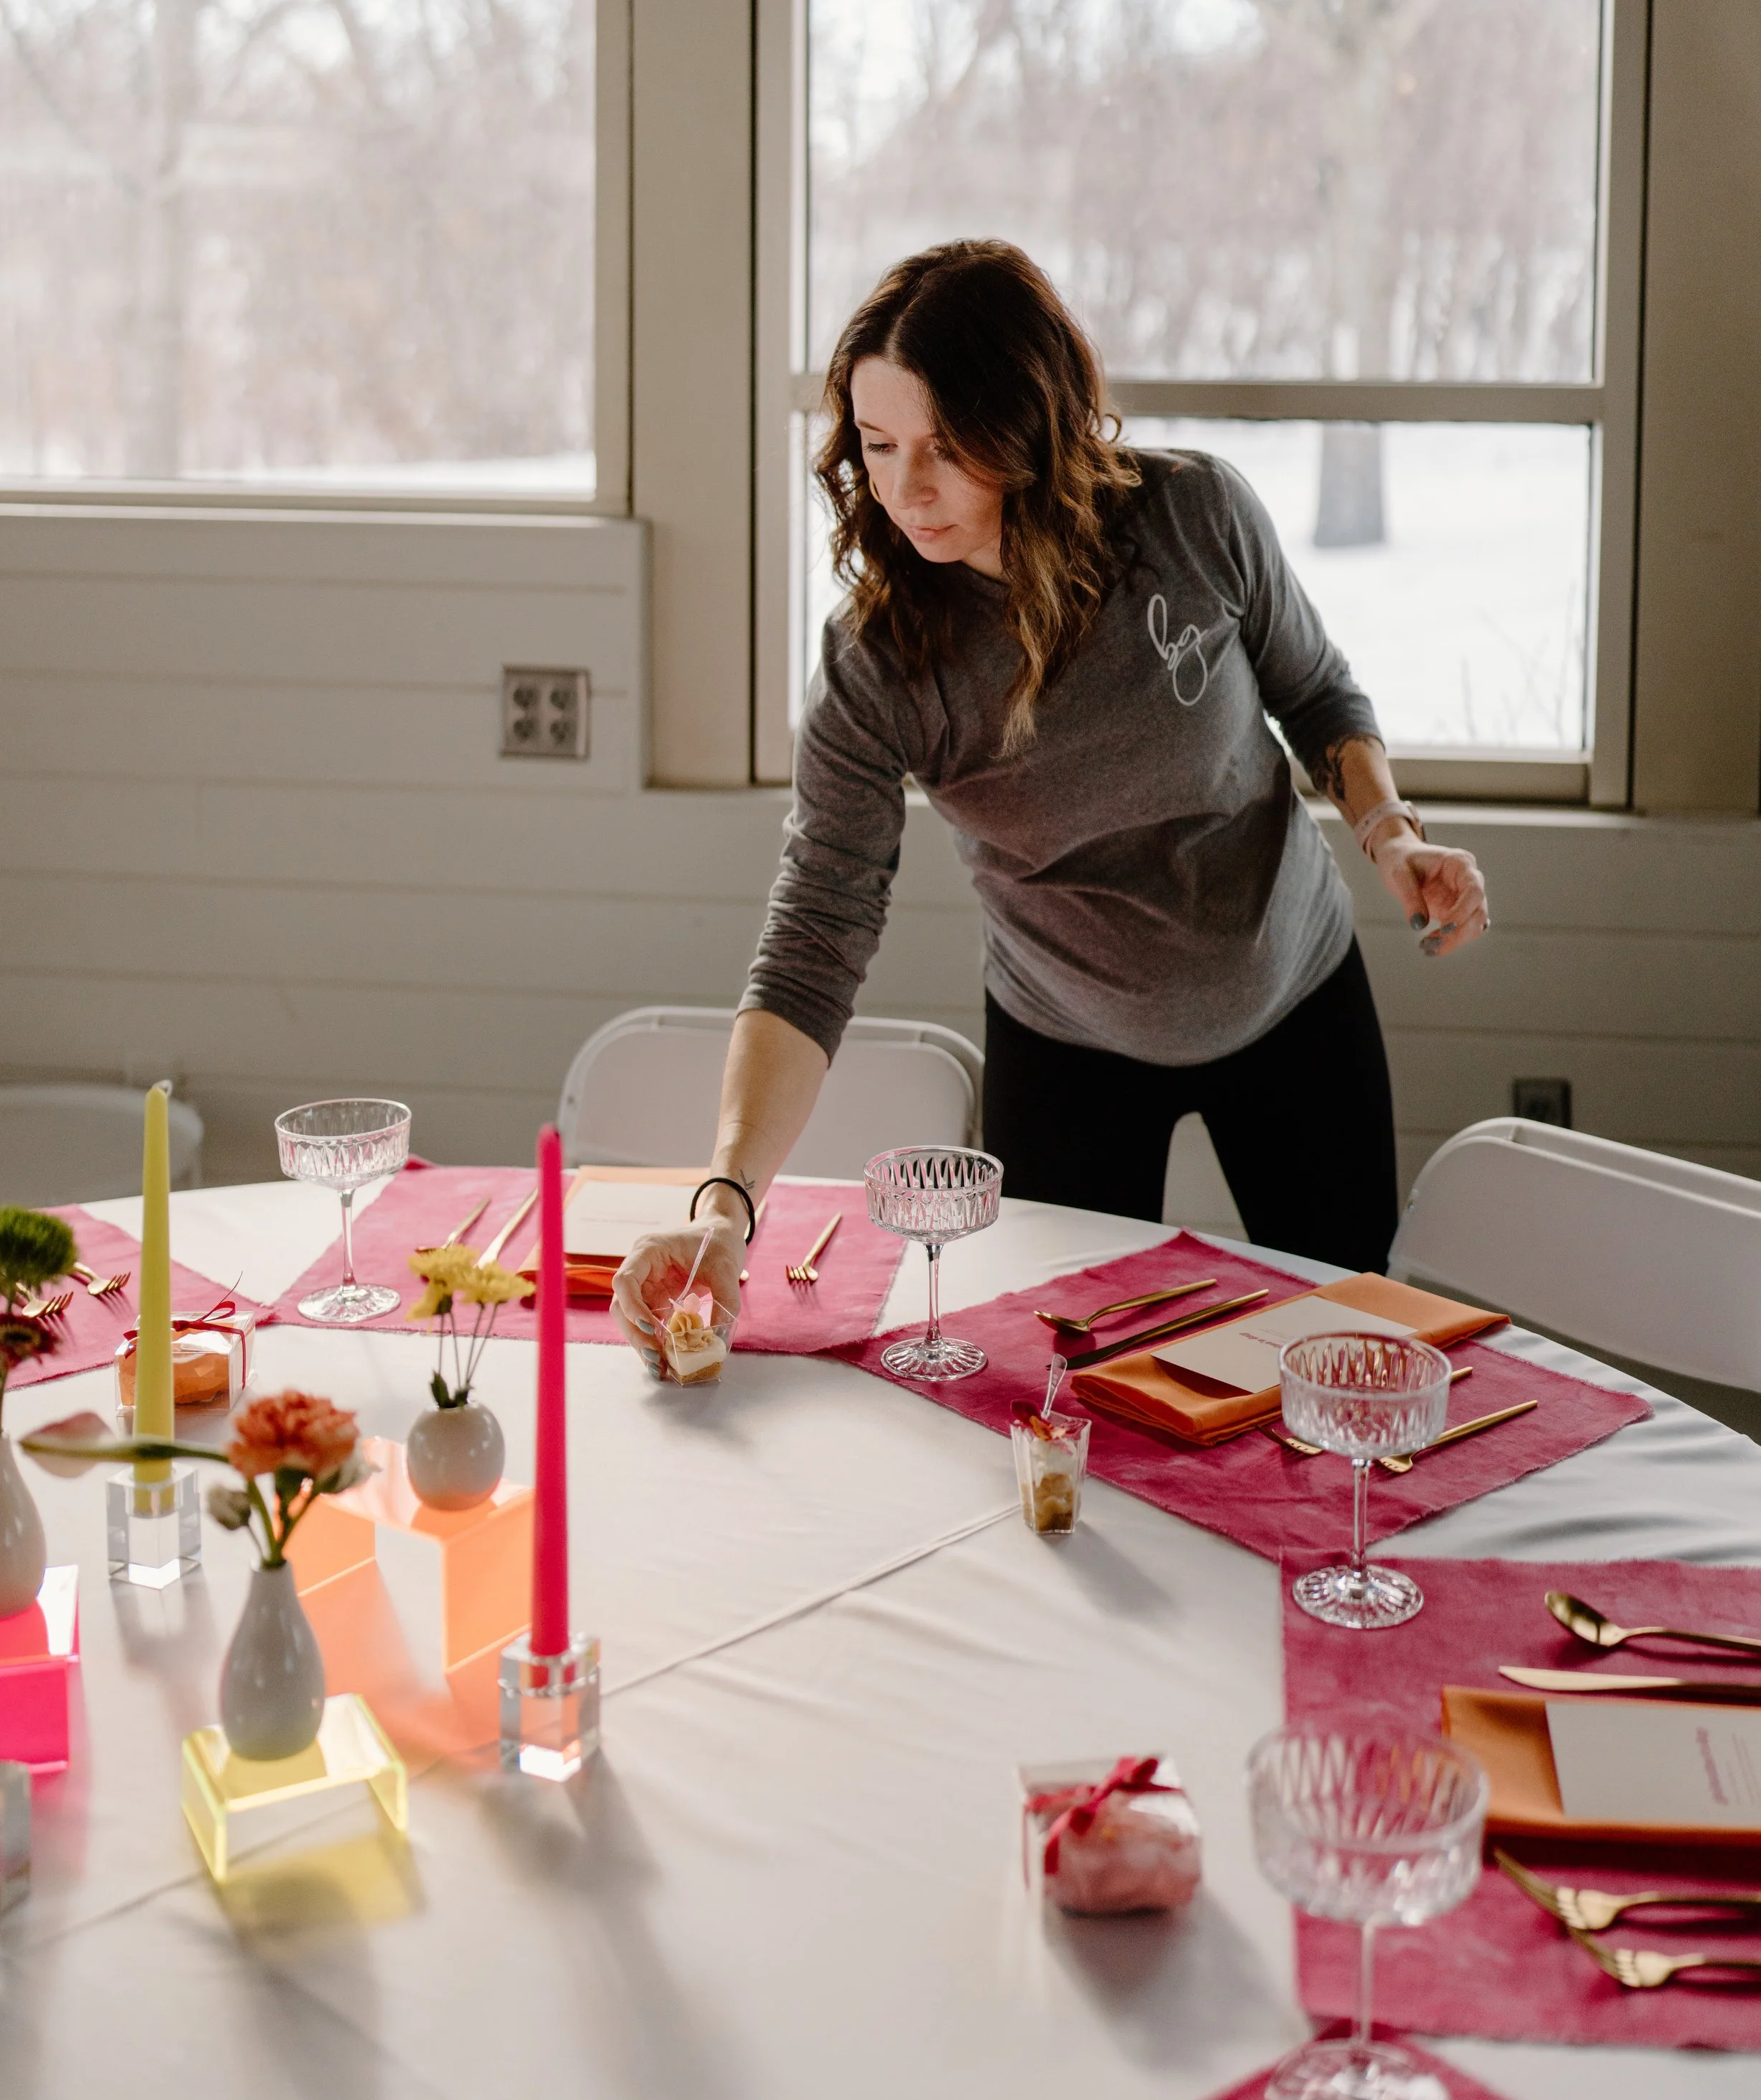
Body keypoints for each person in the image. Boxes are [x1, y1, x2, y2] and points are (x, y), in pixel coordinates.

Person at [614, 239, 1487, 1355]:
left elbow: (1314, 691)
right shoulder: (878, 662)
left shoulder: (1192, 518)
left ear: (1030, 423)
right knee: (1071, 1376)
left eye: (946, 447)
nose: (906, 489)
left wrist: (1389, 832)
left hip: (1290, 997)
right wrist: (725, 1209)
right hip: (1065, 1040)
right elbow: (813, 938)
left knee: (1351, 1354)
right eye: (878, 447)